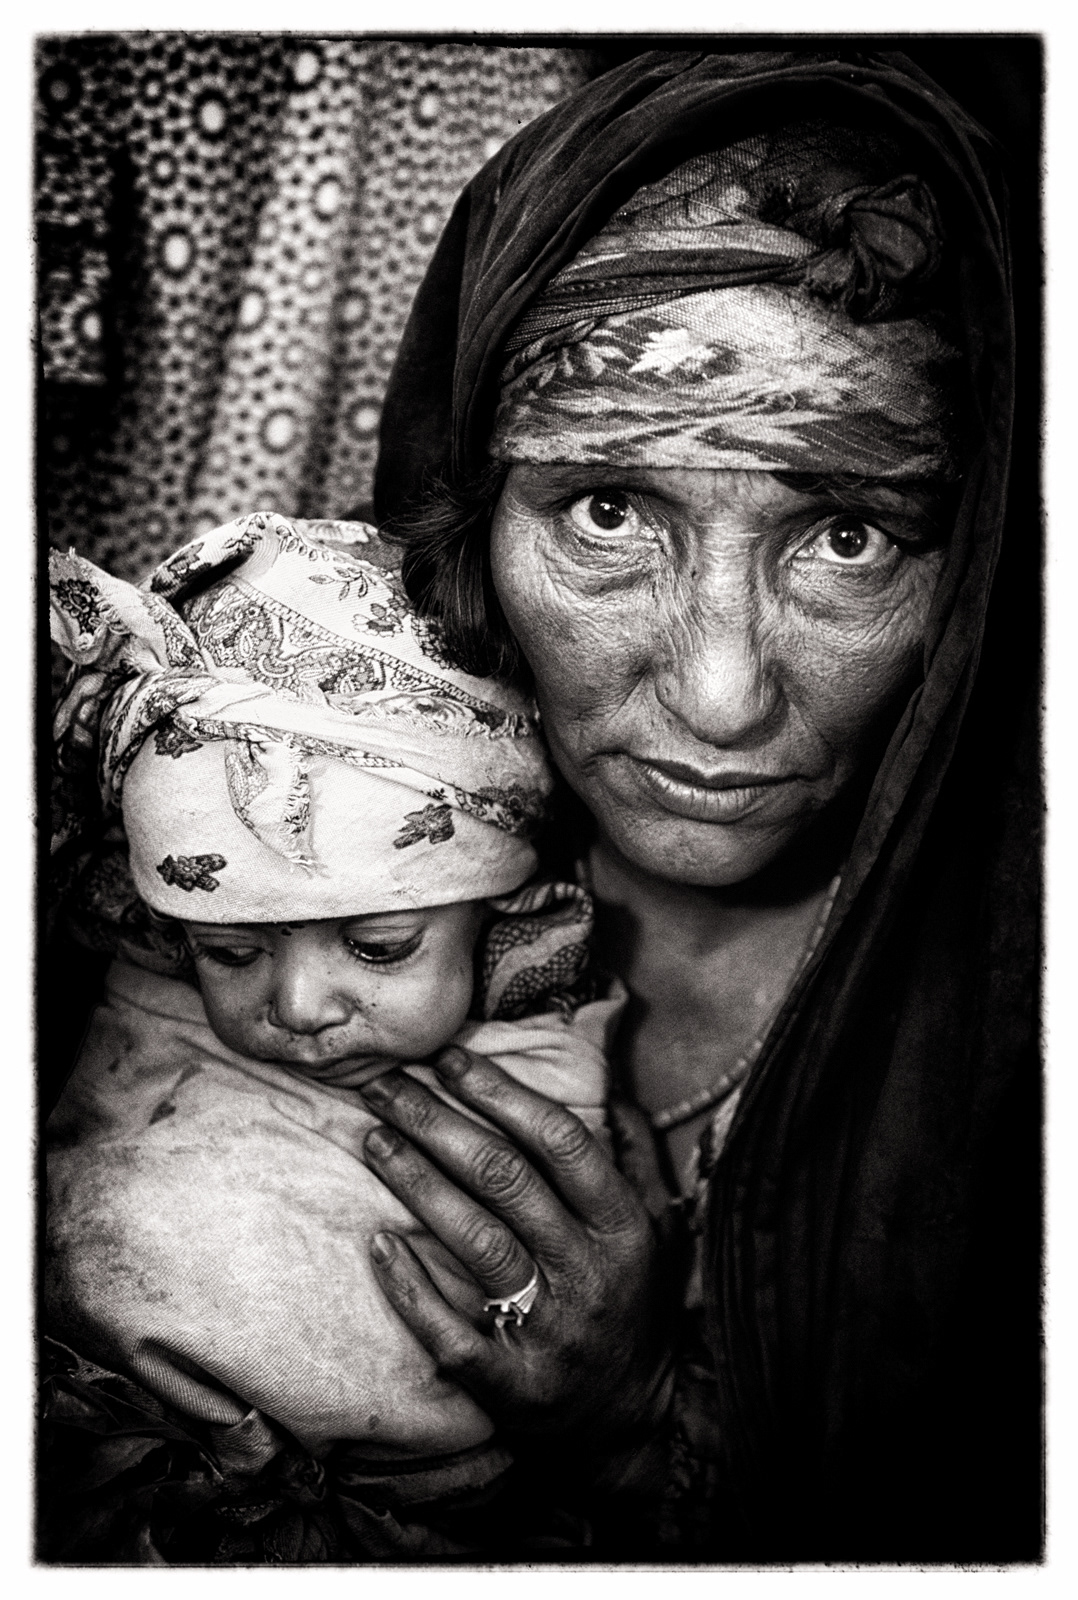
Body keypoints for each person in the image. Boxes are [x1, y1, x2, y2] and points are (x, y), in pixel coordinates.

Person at [350, 48, 1039, 1563]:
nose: (722, 694)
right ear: (467, 513)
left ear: (985, 549)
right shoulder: (280, 865)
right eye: (608, 512)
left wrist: (635, 1431)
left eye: (847, 535)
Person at [43, 511, 622, 1557]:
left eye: (379, 945)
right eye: (230, 952)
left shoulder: (545, 1045)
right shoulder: (129, 1008)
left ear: (502, 914)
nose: (301, 1006)